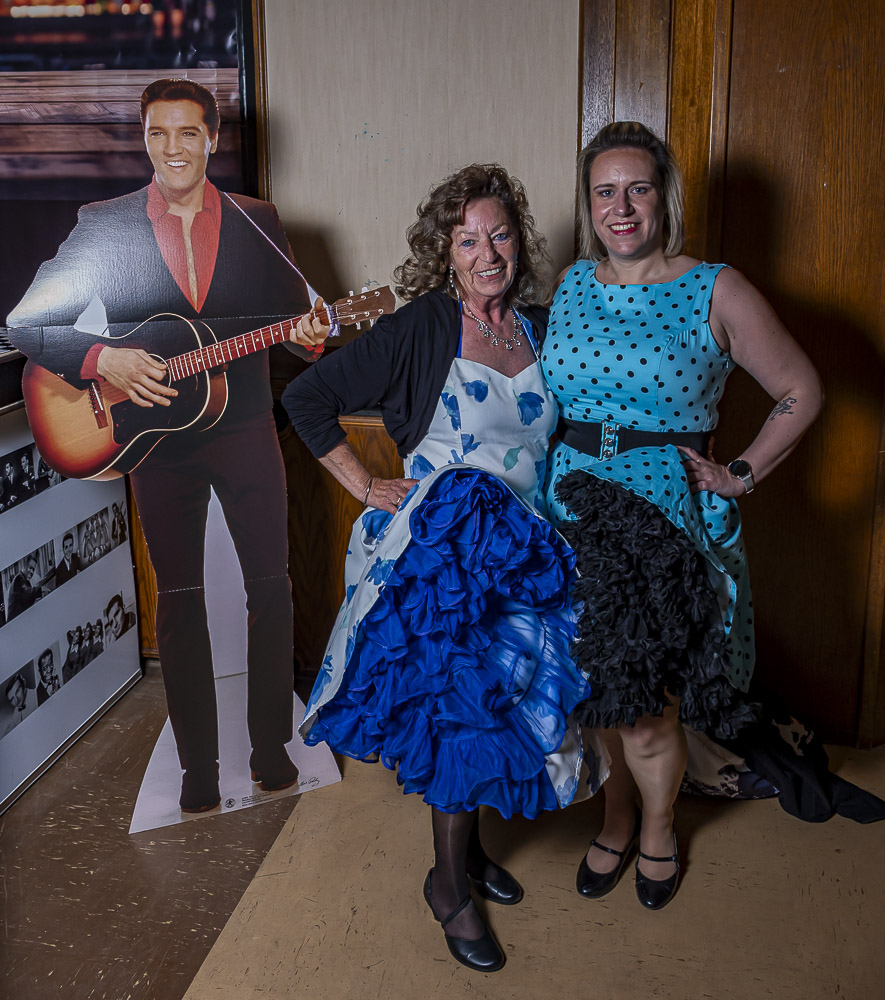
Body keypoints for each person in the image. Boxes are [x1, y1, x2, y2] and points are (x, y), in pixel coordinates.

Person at [284, 164, 596, 973]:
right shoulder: (423, 325)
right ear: (444, 253)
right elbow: (306, 399)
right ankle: (448, 888)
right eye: (467, 241)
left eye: (499, 235)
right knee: (464, 709)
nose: (486, 253)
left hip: (522, 549)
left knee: (501, 704)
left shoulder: (538, 326)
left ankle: (469, 856)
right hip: (445, 552)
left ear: (518, 241)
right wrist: (366, 485)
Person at [6, 78, 329, 812]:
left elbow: (299, 326)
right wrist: (101, 360)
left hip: (246, 428)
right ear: (144, 139)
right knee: (179, 602)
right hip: (155, 442)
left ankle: (270, 748)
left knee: (271, 587)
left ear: (212, 138)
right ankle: (198, 768)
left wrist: (315, 335)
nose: (173, 148)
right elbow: (24, 323)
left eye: (188, 133)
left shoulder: (256, 220)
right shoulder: (105, 223)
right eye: (158, 133)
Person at [541, 121, 824, 910]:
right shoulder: (571, 282)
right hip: (567, 504)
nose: (620, 207)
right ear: (588, 204)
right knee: (594, 687)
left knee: (645, 709)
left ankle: (659, 828)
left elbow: (801, 390)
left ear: (662, 197)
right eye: (604, 191)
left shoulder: (715, 287)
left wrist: (740, 473)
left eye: (637, 188)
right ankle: (616, 815)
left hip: (658, 515)